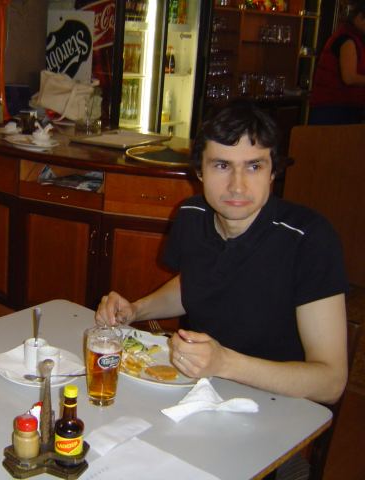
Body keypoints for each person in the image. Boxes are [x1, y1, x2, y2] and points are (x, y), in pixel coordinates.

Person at [96, 100, 349, 404]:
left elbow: (331, 383)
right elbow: (195, 282)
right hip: (200, 391)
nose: (237, 186)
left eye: (254, 166)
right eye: (222, 165)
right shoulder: (191, 214)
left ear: (272, 172)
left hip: (279, 404)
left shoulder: (309, 238)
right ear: (199, 172)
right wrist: (136, 310)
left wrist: (225, 363)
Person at [308, 0, 365, 125]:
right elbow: (349, 77)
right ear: (360, 17)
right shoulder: (347, 39)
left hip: (340, 107)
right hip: (333, 108)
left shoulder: (353, 37)